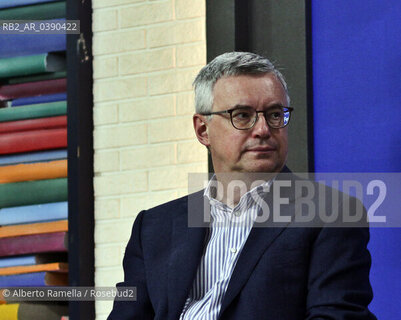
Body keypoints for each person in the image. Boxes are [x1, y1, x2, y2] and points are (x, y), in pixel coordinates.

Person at [108, 52, 376, 319]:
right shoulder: (153, 226)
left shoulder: (332, 215)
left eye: (274, 114)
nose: (263, 129)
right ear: (203, 130)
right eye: (243, 115)